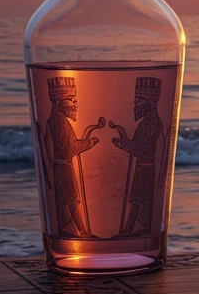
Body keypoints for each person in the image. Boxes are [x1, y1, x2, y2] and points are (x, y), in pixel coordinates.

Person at [42, 77, 104, 237]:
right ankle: (81, 232)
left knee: (67, 201)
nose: (75, 104)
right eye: (70, 100)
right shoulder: (59, 122)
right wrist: (89, 143)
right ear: (58, 102)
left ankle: (71, 231)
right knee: (71, 200)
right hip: (63, 167)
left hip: (62, 167)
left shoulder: (56, 120)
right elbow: (68, 148)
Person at [110, 77, 164, 237]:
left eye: (139, 100)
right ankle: (134, 230)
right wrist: (124, 141)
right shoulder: (147, 121)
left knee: (138, 200)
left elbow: (144, 149)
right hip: (143, 168)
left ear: (150, 102)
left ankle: (129, 231)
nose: (136, 105)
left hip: (147, 169)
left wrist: (123, 144)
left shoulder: (152, 122)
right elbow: (139, 146)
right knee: (138, 201)